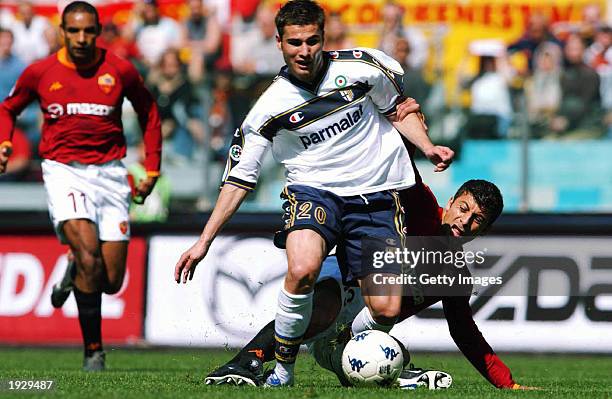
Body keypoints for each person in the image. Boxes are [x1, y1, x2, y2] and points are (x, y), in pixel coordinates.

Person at [174, 0, 453, 387]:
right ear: (279, 43)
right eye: (294, 43)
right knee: (302, 269)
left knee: (387, 309)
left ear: (323, 38)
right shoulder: (268, 108)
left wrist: (427, 146)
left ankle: (339, 345)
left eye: (311, 41)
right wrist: (204, 241)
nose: (303, 51)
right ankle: (282, 371)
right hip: (314, 192)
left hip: (375, 194)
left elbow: (399, 110)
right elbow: (239, 179)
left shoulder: (364, 67)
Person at [205, 180, 536, 390]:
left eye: (477, 220)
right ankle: (247, 360)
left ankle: (396, 374)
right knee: (326, 305)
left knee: (387, 357)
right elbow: (394, 166)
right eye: (463, 209)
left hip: (354, 341)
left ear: (483, 230)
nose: (465, 221)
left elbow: (464, 333)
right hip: (341, 285)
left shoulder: (454, 275)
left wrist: (509, 385)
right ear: (450, 202)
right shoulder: (419, 205)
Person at [0, 1, 162, 371]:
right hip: (64, 172)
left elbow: (149, 111)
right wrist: (4, 141)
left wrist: (151, 169)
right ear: (62, 31)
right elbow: (7, 108)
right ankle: (93, 351)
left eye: (89, 30)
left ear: (99, 30)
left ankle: (73, 268)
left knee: (109, 280)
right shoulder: (41, 71)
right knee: (90, 256)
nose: (82, 38)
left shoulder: (118, 69)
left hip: (111, 175)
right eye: (74, 31)